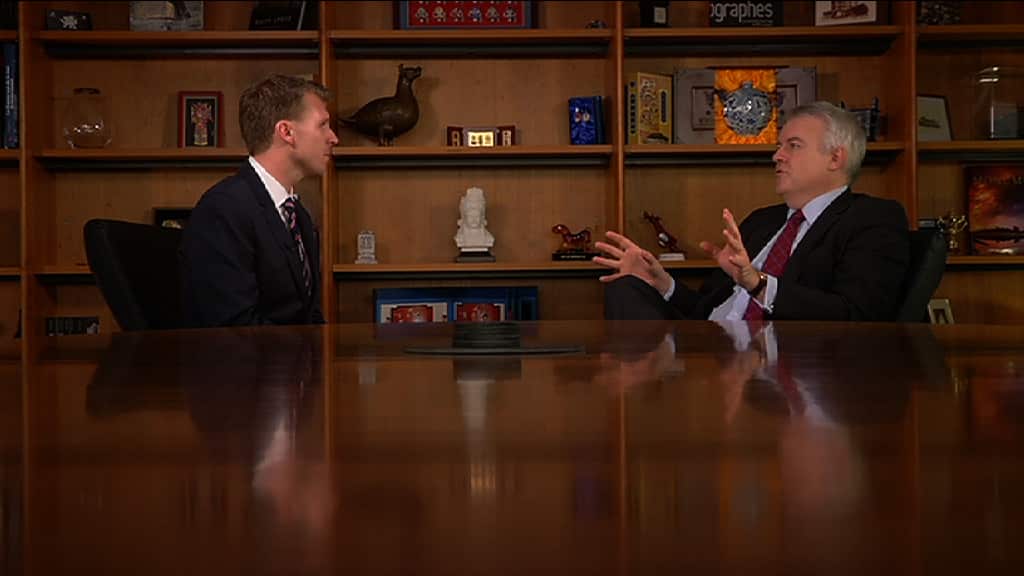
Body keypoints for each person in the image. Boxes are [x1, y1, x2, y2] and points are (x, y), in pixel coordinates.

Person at [597, 101, 910, 322]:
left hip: (783, 370)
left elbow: (856, 315)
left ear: (835, 158)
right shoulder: (763, 221)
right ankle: (642, 401)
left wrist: (759, 284)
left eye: (793, 145)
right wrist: (661, 282)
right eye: (779, 145)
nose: (777, 155)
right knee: (625, 286)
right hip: (713, 349)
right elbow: (707, 311)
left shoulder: (872, 219)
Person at [180, 74, 338, 327]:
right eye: (323, 125)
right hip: (247, 365)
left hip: (296, 362)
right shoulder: (224, 209)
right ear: (286, 132)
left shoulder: (298, 214)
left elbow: (307, 317)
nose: (333, 137)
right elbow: (235, 327)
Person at [454, 186, 495, 251]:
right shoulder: (460, 237)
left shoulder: (489, 238)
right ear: (464, 217)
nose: (474, 220)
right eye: (470, 216)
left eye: (477, 216)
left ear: (481, 217)